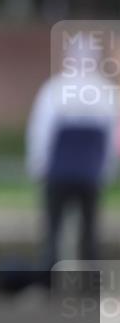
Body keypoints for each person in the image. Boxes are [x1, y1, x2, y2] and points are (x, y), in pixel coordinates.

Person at [26, 34, 118, 274]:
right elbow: (112, 138)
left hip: (59, 171)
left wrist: (38, 165)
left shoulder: (54, 90)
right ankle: (89, 282)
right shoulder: (106, 92)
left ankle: (49, 278)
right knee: (90, 231)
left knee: (53, 230)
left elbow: (40, 131)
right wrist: (107, 168)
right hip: (90, 173)